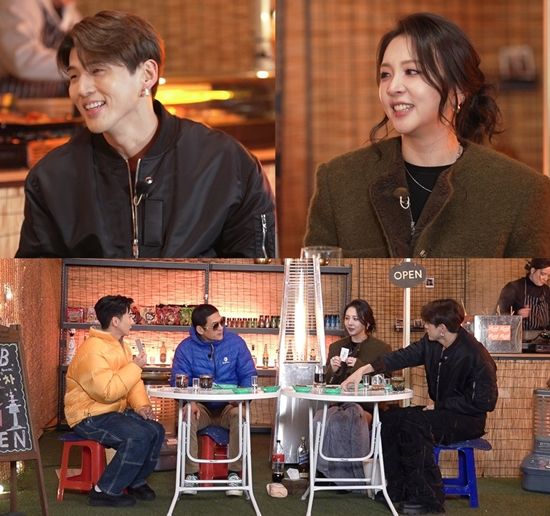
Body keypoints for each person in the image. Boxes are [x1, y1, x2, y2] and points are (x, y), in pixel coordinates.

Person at [16, 10, 276, 258]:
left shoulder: (228, 165)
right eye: (74, 76)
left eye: (97, 70)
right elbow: (36, 280)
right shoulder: (51, 178)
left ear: (147, 75)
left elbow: (255, 273)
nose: (81, 89)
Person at [304, 12, 550, 258]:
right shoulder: (338, 181)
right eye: (385, 74)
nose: (393, 87)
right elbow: (313, 277)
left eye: (412, 71)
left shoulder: (521, 191)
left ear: (458, 90)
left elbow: (536, 282)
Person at [344, 299, 498, 515]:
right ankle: (398, 488)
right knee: (390, 418)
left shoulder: (476, 355)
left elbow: (485, 401)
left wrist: (440, 405)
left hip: (467, 419)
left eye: (428, 323)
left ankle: (428, 498)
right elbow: (401, 357)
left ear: (441, 329)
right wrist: (363, 370)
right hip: (441, 412)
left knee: (413, 424)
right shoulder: (431, 343)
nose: (425, 326)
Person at [64, 295, 165, 508]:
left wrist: (142, 406)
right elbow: (107, 392)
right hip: (88, 415)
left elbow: (131, 383)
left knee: (156, 430)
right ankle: (104, 490)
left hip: (112, 412)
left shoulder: (123, 347)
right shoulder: (92, 350)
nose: (133, 320)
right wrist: (135, 366)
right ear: (115, 321)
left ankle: (136, 481)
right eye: (129, 315)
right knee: (137, 436)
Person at [170, 303, 256, 496]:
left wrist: (242, 400)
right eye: (215, 325)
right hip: (201, 407)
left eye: (222, 322)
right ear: (200, 329)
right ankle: (191, 474)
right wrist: (190, 403)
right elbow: (178, 380)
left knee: (240, 415)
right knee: (187, 415)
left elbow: (248, 375)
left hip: (229, 406)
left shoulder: (236, 343)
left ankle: (235, 474)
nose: (221, 328)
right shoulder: (185, 348)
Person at [314, 299, 391, 482]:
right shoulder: (336, 347)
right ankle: (327, 472)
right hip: (338, 404)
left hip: (367, 407)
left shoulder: (381, 348)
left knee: (350, 419)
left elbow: (385, 383)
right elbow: (325, 384)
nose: (350, 323)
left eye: (356, 319)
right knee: (320, 418)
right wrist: (332, 370)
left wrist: (360, 366)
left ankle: (352, 475)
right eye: (347, 318)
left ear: (367, 322)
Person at [0, 0, 81, 98]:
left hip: (52, 101)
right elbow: (21, 59)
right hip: (12, 100)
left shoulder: (70, 13)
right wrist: (78, 65)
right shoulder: (20, 3)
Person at [497, 258, 550, 336]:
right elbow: (499, 314)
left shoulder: (547, 290)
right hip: (520, 337)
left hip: (544, 337)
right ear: (532, 270)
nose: (546, 278)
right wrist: (517, 315)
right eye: (543, 274)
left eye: (548, 275)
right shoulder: (513, 287)